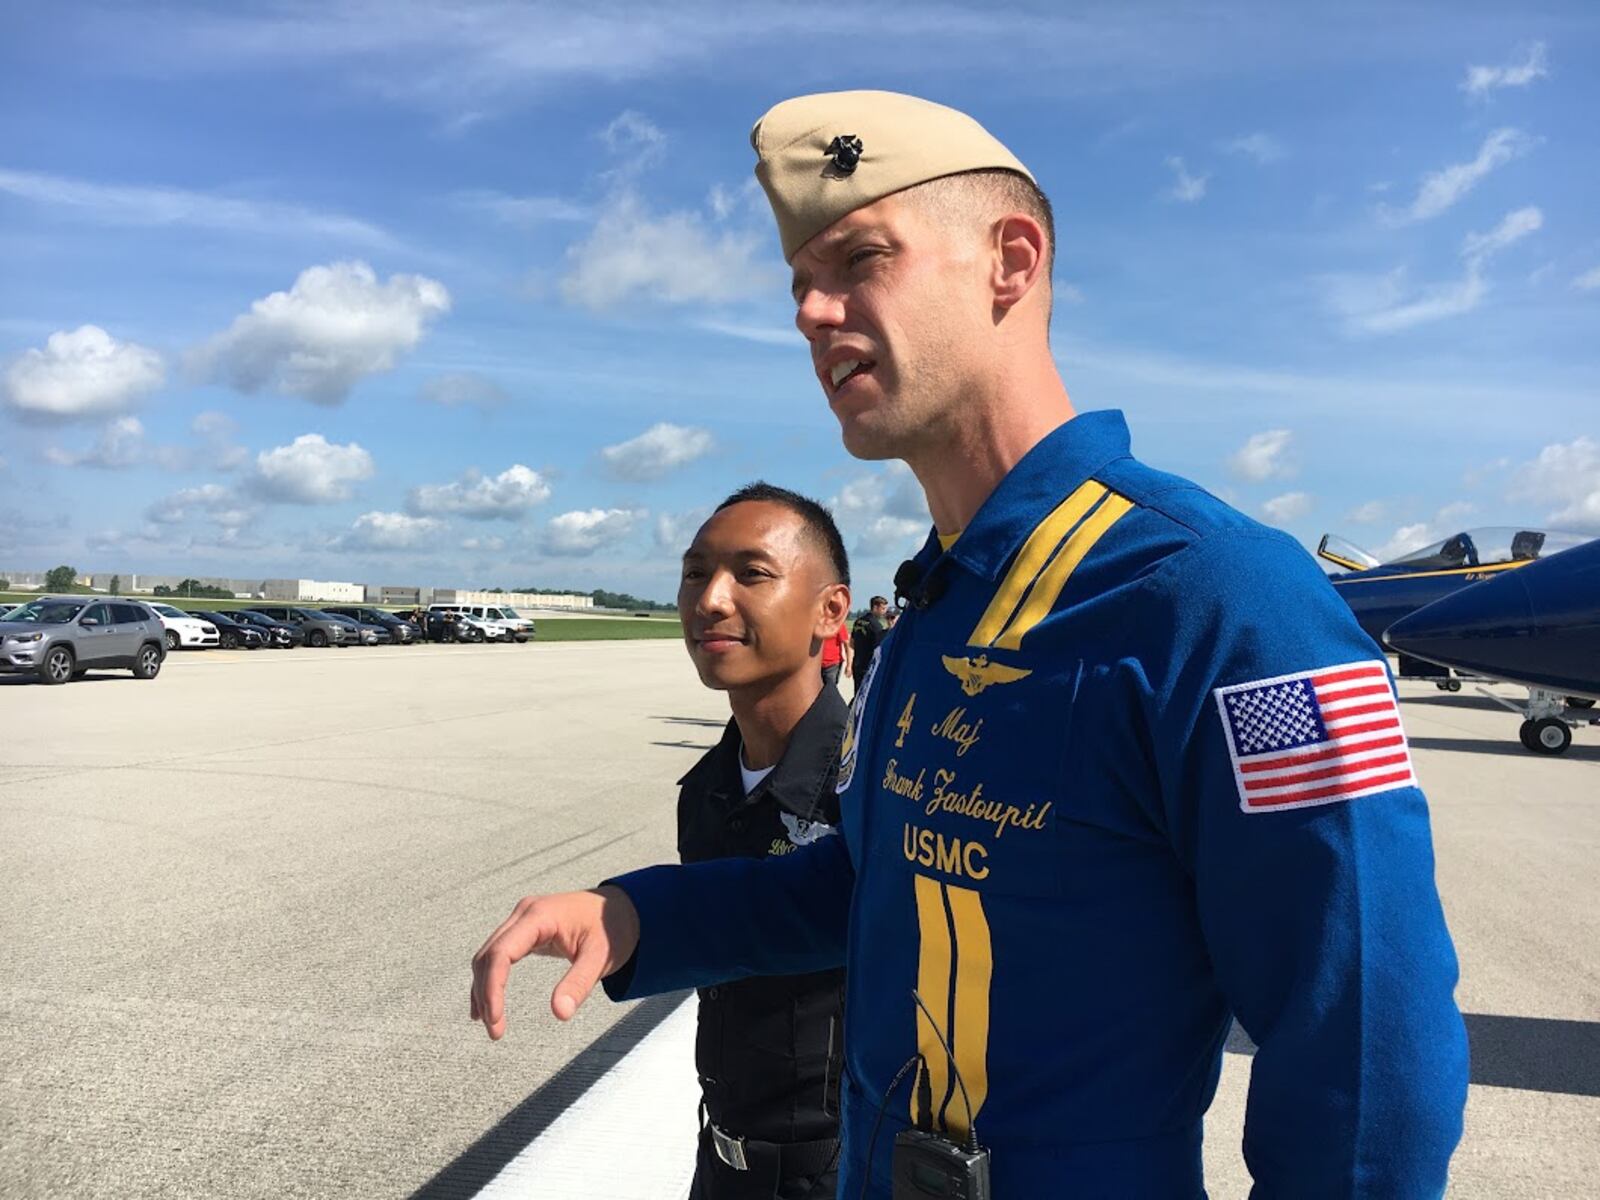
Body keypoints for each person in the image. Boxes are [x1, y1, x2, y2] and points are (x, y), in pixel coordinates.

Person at [472, 91, 1468, 1199]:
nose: (809, 310)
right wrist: (641, 913)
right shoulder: (931, 619)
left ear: (1010, 259)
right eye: (801, 280)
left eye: (859, 259)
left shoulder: (1227, 602)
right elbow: (862, 891)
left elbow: (1369, 1043)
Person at [674, 482, 853, 1198]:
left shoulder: (872, 791)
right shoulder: (707, 790)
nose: (711, 599)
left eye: (752, 573)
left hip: (837, 1173)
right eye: (695, 572)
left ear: (830, 611)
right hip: (720, 1161)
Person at [848, 596, 889, 690]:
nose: (884, 612)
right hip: (868, 665)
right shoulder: (876, 626)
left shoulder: (858, 621)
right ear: (875, 607)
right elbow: (879, 648)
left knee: (857, 692)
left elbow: (851, 643)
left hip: (857, 663)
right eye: (883, 608)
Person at [819, 614, 851, 690]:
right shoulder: (817, 624)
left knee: (830, 690)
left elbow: (847, 644)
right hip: (816, 665)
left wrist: (849, 665)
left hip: (832, 664)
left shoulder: (838, 624)